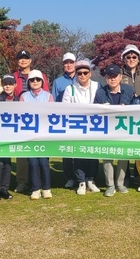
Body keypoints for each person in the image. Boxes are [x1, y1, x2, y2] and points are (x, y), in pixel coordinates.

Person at [61, 59, 101, 195]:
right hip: (77, 126)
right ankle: (81, 182)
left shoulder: (97, 86)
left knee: (93, 153)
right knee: (79, 154)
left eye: (85, 72)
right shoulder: (70, 88)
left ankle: (91, 180)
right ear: (76, 74)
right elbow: (65, 107)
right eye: (79, 73)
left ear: (90, 73)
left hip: (94, 126)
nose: (82, 75)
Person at [94, 63, 134, 197]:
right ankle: (110, 185)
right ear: (106, 78)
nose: (112, 79)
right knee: (107, 157)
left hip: (124, 129)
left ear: (120, 77)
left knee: (123, 156)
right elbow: (95, 111)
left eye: (115, 76)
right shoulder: (100, 93)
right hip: (107, 131)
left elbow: (136, 107)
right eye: (109, 76)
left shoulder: (129, 90)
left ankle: (120, 183)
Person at [12, 50, 49, 192]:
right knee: (22, 155)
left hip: (41, 124)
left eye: (26, 58)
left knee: (41, 157)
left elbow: (46, 97)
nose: (23, 60)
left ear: (30, 60)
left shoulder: (40, 76)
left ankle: (42, 183)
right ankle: (22, 181)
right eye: (20, 58)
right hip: (23, 120)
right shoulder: (14, 76)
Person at [20, 70, 54, 199]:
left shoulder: (48, 96)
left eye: (38, 79)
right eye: (32, 80)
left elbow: (52, 115)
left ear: (42, 81)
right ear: (28, 82)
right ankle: (35, 189)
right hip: (29, 134)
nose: (35, 82)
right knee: (33, 162)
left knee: (44, 162)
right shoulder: (24, 96)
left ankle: (46, 188)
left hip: (44, 134)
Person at [0, 74, 18, 202]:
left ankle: (4, 189)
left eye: (10, 84)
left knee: (7, 163)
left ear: (15, 85)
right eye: (5, 84)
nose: (8, 86)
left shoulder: (19, 100)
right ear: (2, 85)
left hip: (12, 136)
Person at [51, 52, 78, 189]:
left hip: (81, 121)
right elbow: (55, 102)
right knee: (67, 151)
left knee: (80, 149)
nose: (69, 65)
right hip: (66, 121)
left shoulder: (82, 77)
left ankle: (82, 177)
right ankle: (70, 177)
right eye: (66, 63)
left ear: (75, 63)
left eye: (71, 62)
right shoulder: (58, 82)